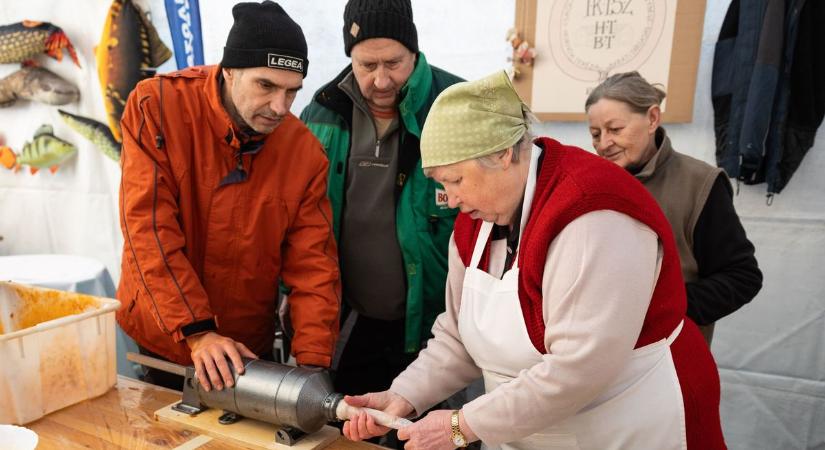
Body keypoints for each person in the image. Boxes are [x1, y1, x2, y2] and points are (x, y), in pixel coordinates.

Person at [340, 71, 726, 449]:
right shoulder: (475, 221)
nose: (451, 199)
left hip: (629, 422)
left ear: (503, 154)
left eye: (455, 180)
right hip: (535, 426)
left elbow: (578, 368)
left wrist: (462, 425)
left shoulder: (592, 213)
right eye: (441, 183)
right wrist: (403, 395)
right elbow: (459, 335)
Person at [116, 1, 340, 391]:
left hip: (244, 353)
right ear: (230, 70)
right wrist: (197, 331)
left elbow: (314, 266)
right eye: (266, 86)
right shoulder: (157, 106)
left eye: (291, 92)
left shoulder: (304, 153)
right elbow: (148, 230)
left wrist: (313, 364)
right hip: (165, 336)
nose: (279, 107)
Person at [300, 0, 463, 397]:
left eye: (393, 63)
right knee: (352, 432)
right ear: (350, 58)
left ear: (414, 52)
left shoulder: (457, 105)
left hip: (439, 329)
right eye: (367, 66)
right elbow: (299, 220)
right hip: (353, 323)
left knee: (437, 436)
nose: (381, 80)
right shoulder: (321, 114)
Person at [586, 71, 762, 345]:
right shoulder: (589, 184)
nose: (604, 144)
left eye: (615, 129)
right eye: (595, 134)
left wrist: (665, 311)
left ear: (653, 118)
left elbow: (742, 277)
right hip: (597, 351)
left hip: (669, 356)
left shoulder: (700, 183)